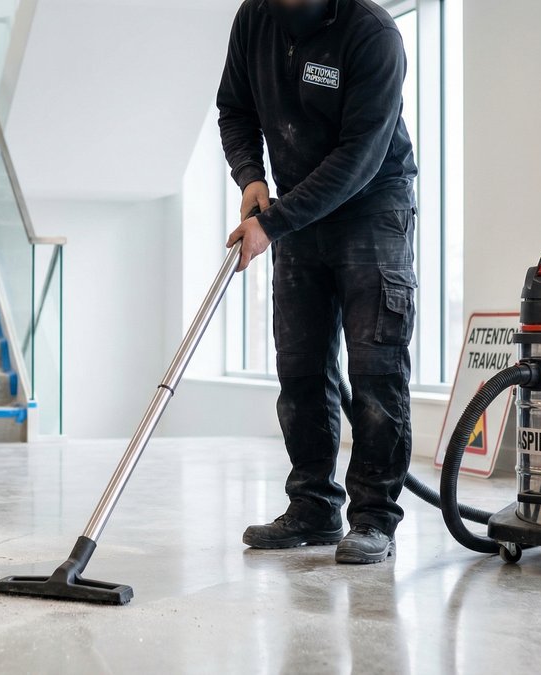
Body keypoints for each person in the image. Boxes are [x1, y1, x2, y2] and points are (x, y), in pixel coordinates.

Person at [217, 0, 418, 564]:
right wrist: (251, 177)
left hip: (372, 208)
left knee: (376, 368)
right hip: (299, 210)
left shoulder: (372, 33)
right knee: (300, 368)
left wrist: (273, 223)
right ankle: (313, 506)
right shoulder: (255, 18)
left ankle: (374, 518)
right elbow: (234, 108)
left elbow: (360, 155)